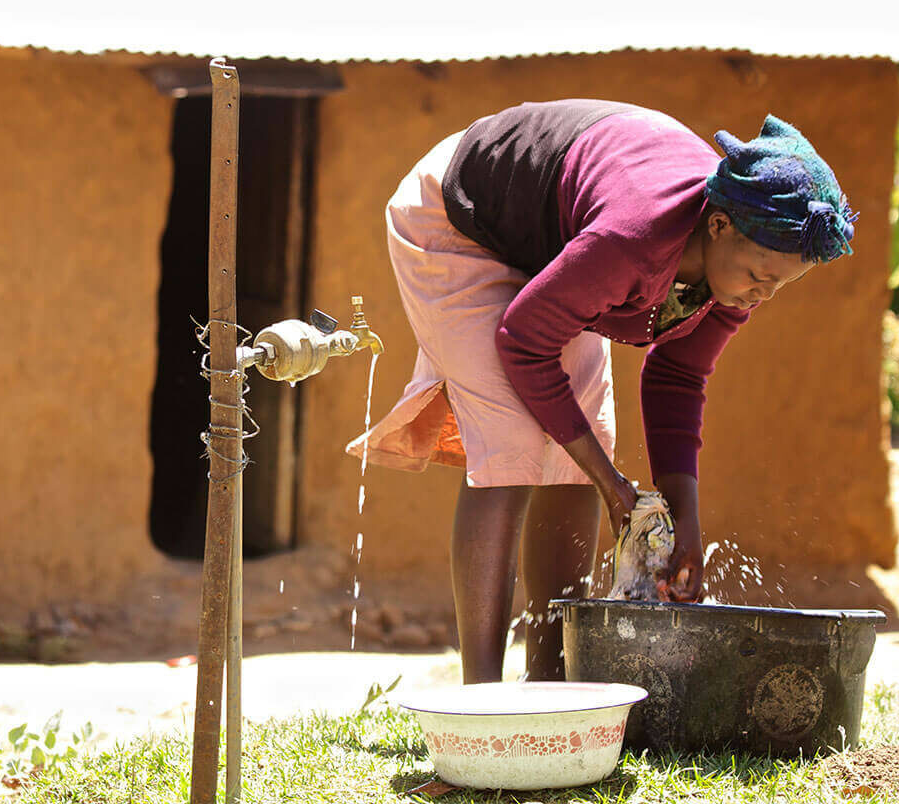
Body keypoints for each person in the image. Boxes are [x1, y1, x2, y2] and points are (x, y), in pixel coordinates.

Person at [347, 100, 857, 684]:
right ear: (718, 225)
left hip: (551, 240)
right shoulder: (633, 239)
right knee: (512, 445)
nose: (761, 297)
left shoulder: (728, 283)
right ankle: (481, 700)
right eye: (759, 277)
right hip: (460, 216)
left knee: (581, 451)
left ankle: (549, 683)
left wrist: (683, 520)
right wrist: (611, 485)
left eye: (779, 287)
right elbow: (523, 341)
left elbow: (678, 377)